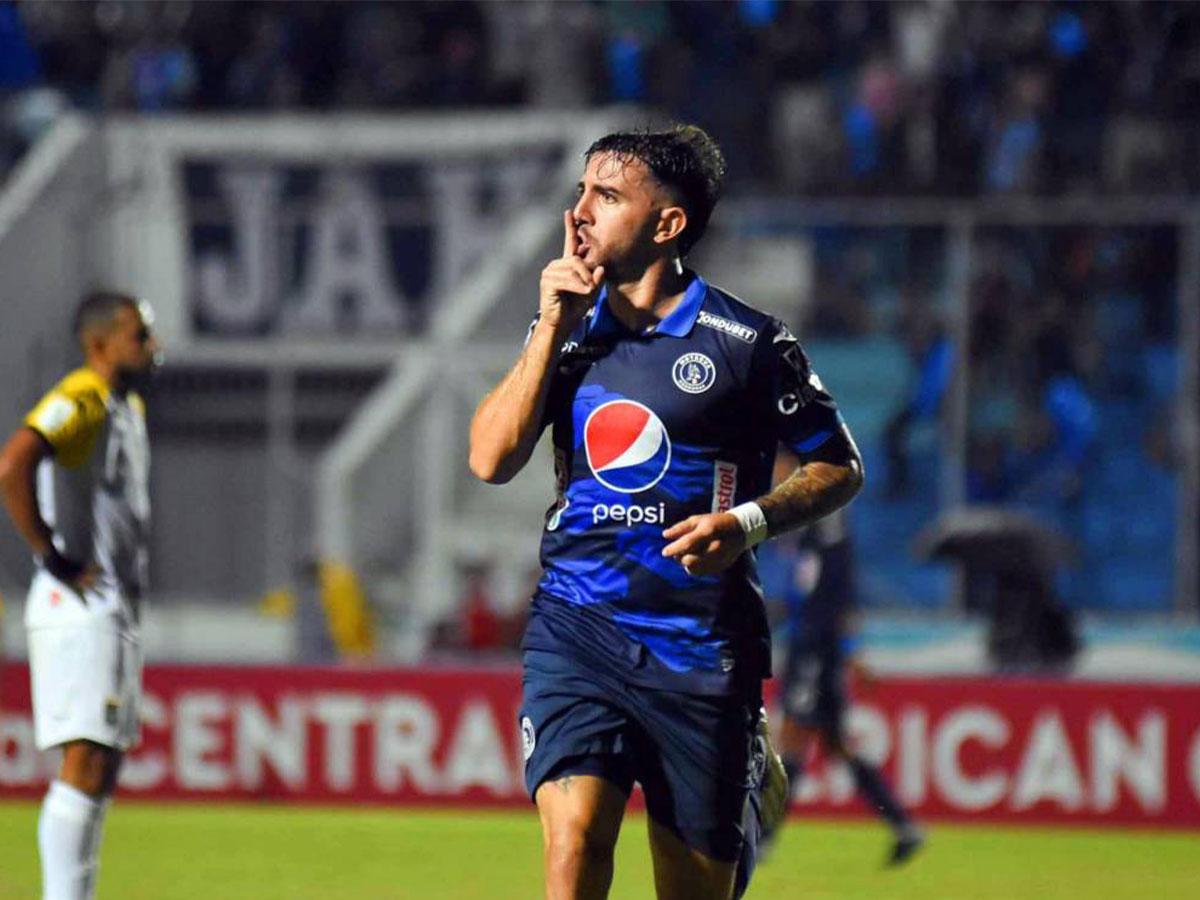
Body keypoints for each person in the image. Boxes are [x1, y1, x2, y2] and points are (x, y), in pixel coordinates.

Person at [468, 125, 864, 900]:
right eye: (580, 191)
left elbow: (839, 466)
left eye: (606, 196)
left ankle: (745, 767)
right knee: (576, 844)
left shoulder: (748, 343)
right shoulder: (567, 331)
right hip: (577, 628)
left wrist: (747, 523)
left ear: (668, 224)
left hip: (701, 648)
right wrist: (549, 324)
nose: (578, 212)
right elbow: (489, 459)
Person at [0, 292, 159, 900]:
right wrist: (51, 554)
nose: (151, 346)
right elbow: (15, 462)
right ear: (99, 344)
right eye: (138, 335)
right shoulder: (80, 397)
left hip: (110, 607)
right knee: (85, 761)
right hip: (81, 605)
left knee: (101, 764)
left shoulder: (126, 405)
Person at [768, 458, 924, 866]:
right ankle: (904, 826)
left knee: (794, 736)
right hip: (811, 643)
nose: (775, 474)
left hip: (817, 647)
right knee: (835, 745)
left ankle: (763, 839)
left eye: (782, 467)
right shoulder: (804, 525)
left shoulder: (827, 522)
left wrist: (851, 647)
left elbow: (840, 591)